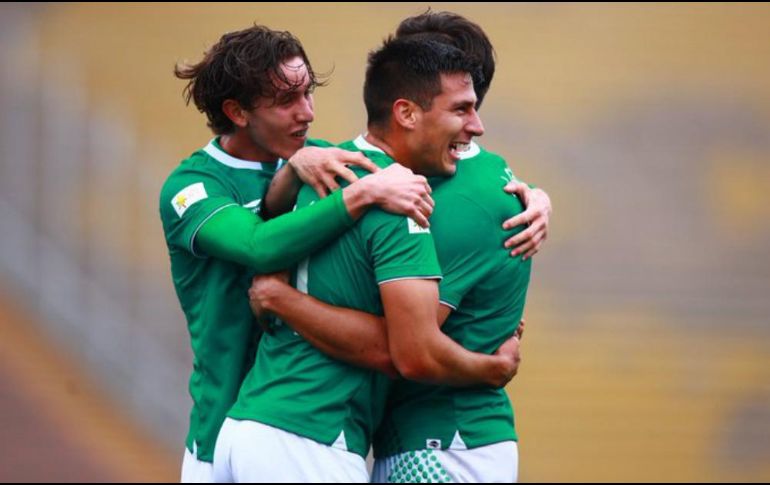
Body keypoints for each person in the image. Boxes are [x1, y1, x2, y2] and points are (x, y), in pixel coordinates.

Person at [245, 11, 541, 482]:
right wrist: (490, 367)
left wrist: (278, 297)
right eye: (461, 109)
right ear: (406, 107)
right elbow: (410, 350)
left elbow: (409, 347)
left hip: (443, 440)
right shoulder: (383, 182)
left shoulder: (435, 191)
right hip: (334, 436)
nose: (477, 125)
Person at [160, 25, 435, 483]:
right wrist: (357, 195)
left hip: (305, 431)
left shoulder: (324, 161)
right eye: (287, 101)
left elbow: (417, 170)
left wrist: (525, 195)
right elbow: (257, 246)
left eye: (308, 93)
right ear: (237, 111)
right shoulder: (191, 188)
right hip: (221, 440)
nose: (306, 113)